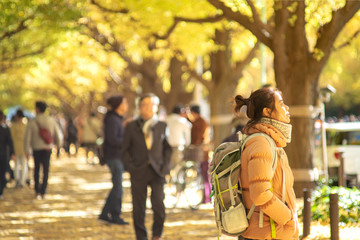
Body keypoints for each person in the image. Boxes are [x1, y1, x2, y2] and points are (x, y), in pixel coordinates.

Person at [234, 88, 299, 240]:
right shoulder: (261, 143)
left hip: (271, 231)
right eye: (281, 104)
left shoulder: (271, 143)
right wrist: (287, 217)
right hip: (267, 233)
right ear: (267, 112)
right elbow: (260, 193)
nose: (287, 108)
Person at [122, 93, 172, 240]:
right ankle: (141, 236)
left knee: (159, 205)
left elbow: (168, 148)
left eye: (152, 105)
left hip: (158, 171)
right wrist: (131, 167)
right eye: (145, 104)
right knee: (138, 208)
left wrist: (165, 167)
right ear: (139, 107)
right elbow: (125, 150)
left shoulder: (162, 126)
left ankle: (157, 235)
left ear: (156, 107)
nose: (148, 108)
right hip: (138, 171)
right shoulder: (131, 126)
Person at [99, 95, 129, 225]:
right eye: (125, 102)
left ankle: (105, 213)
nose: (127, 104)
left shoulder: (116, 119)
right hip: (114, 156)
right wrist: (128, 142)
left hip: (117, 156)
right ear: (119, 105)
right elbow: (112, 139)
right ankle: (115, 215)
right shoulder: (112, 119)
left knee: (117, 187)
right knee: (118, 188)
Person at [24, 101, 63, 199]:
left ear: (37, 109)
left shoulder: (33, 121)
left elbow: (27, 137)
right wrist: (59, 145)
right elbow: (58, 134)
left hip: (36, 148)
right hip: (47, 148)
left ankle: (37, 190)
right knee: (46, 169)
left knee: (36, 169)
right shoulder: (51, 120)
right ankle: (43, 191)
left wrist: (27, 150)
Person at [188, 104, 211, 203]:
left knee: (204, 174)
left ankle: (207, 197)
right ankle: (206, 197)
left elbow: (199, 137)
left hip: (200, 151)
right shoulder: (200, 121)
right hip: (202, 151)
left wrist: (194, 145)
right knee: (204, 174)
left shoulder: (200, 122)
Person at [165, 104, 192, 169]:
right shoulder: (182, 120)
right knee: (177, 165)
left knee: (169, 164)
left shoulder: (166, 119)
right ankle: (176, 178)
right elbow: (188, 131)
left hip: (167, 145)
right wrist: (187, 144)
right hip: (178, 146)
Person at [10, 109, 28, 188]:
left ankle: (22, 181)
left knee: (24, 164)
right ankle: (17, 180)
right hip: (16, 147)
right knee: (17, 164)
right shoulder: (13, 126)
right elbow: (12, 138)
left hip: (23, 147)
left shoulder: (25, 126)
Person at [0, 111, 15, 199]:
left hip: (3, 154)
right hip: (3, 154)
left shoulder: (5, 129)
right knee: (2, 173)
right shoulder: (5, 129)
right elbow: (10, 141)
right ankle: (1, 191)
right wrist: (12, 153)